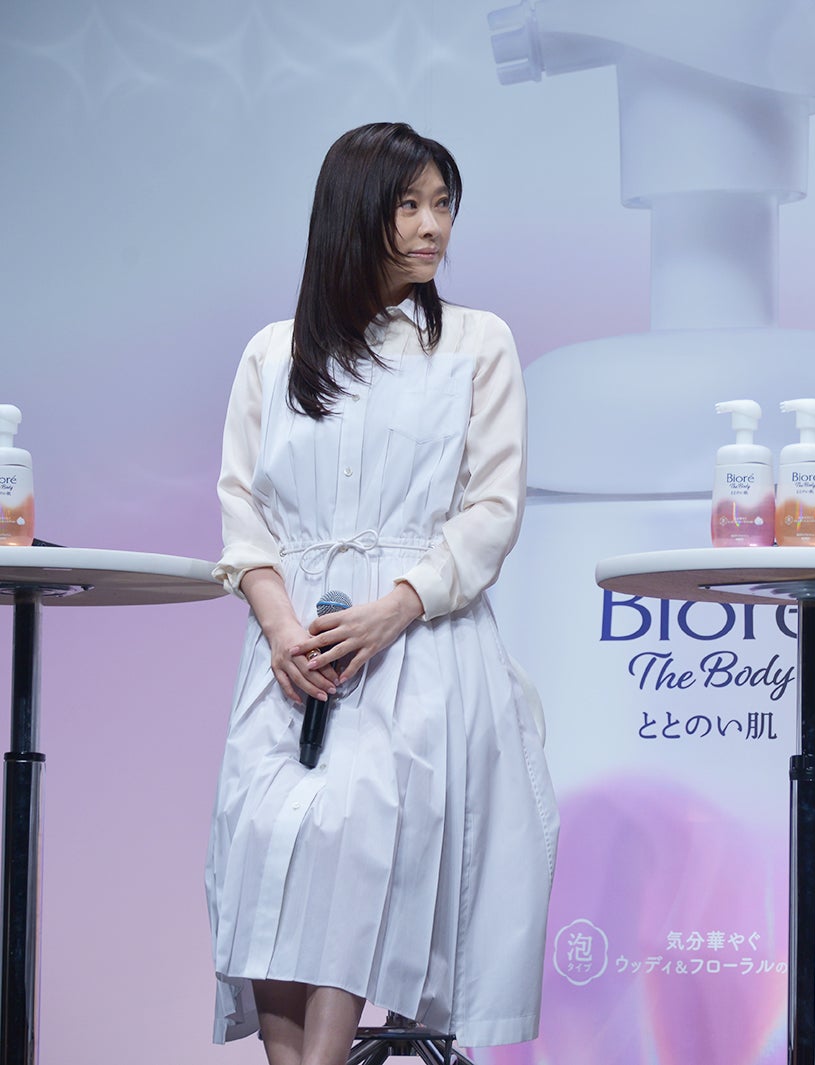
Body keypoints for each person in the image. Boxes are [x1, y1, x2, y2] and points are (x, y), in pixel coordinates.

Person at [208, 122, 559, 1064]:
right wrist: (281, 628)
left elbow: (491, 508)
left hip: (419, 643)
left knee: (355, 847)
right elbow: (243, 509)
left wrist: (397, 605)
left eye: (443, 204)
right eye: (409, 205)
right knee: (267, 855)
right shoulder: (274, 353)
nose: (432, 225)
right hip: (294, 650)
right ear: (355, 212)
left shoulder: (476, 344)